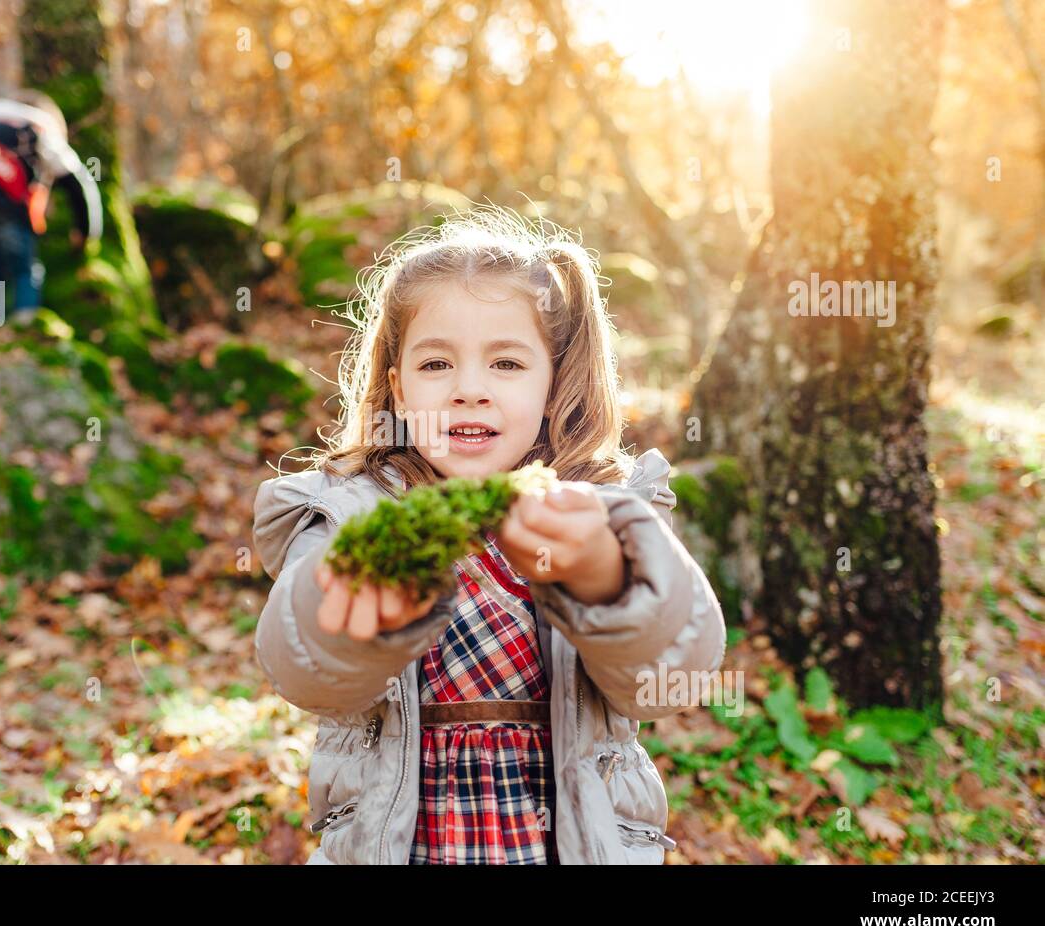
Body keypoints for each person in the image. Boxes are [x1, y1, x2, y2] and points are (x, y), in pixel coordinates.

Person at [251, 204, 727, 864]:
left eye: (505, 364)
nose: (469, 390)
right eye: (436, 365)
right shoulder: (350, 514)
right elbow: (300, 666)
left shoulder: (602, 509)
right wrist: (348, 614)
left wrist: (602, 575)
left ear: (552, 380)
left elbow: (668, 678)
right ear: (397, 386)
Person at [0, 90, 102, 327]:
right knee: (24, 269)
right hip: (3, 199)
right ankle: (23, 328)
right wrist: (86, 232)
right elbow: (79, 182)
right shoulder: (37, 129)